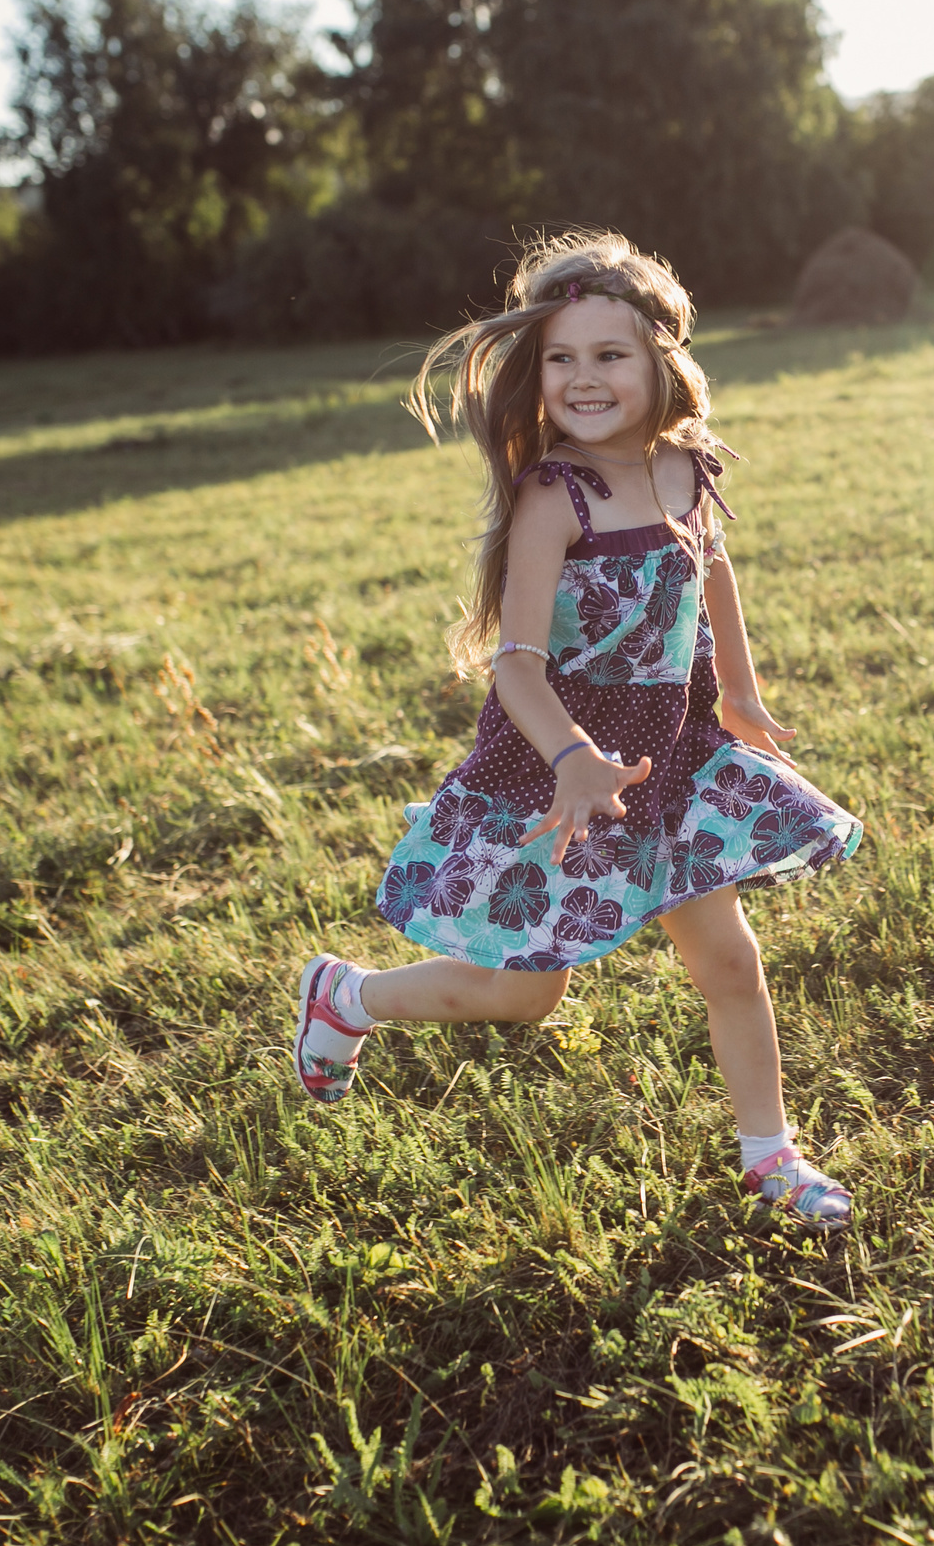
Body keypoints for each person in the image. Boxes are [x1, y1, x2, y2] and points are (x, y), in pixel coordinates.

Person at [291, 230, 865, 1227]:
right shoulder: (552, 497)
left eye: (610, 355)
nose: (583, 378)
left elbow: (711, 568)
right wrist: (573, 760)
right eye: (561, 358)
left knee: (727, 959)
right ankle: (349, 998)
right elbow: (515, 664)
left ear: (659, 360)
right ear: (537, 371)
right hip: (559, 766)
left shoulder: (687, 468)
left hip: (671, 755)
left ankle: (770, 1157)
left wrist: (739, 692)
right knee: (523, 997)